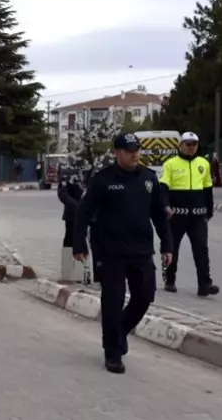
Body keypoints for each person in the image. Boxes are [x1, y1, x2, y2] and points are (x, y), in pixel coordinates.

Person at [73, 133, 172, 374]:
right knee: (113, 300)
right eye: (129, 150)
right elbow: (83, 212)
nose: (134, 154)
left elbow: (159, 215)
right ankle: (113, 352)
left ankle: (120, 332)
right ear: (118, 153)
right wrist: (79, 244)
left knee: (145, 296)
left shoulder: (149, 178)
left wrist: (167, 245)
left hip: (141, 250)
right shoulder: (103, 180)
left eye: (137, 149)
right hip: (110, 251)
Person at [159, 132, 219, 297]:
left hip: (198, 217)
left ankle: (205, 285)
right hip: (176, 216)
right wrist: (166, 206)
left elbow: (207, 187)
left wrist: (209, 209)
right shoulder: (170, 164)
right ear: (181, 145)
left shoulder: (203, 163)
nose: (191, 147)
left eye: (194, 144)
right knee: (172, 249)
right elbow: (163, 187)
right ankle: (170, 280)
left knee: (201, 250)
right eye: (188, 144)